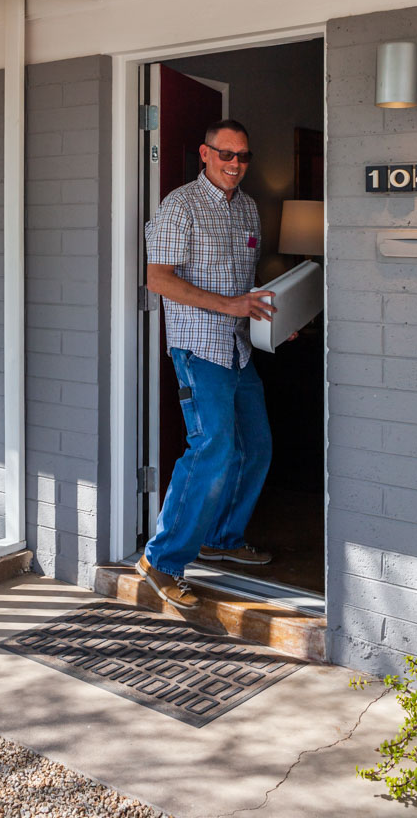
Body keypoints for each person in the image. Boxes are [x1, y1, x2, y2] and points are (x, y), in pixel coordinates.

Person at [137, 117, 281, 612]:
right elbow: (158, 279)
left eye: (243, 156)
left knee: (255, 446)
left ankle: (222, 536)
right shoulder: (180, 206)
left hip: (241, 347)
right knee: (212, 449)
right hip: (200, 349)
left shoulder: (248, 209)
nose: (236, 164)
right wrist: (230, 306)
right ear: (205, 153)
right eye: (226, 154)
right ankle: (162, 561)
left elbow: (248, 277)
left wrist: (268, 317)